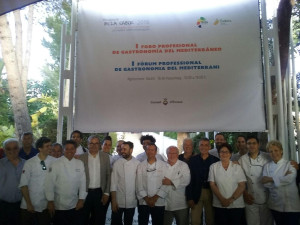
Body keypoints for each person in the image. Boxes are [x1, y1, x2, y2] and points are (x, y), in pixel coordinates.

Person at [45, 140, 87, 225]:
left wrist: (81, 199)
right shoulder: (56, 164)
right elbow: (49, 184)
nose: (69, 151)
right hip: (59, 205)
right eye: (67, 149)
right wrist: (50, 201)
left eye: (72, 149)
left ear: (75, 150)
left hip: (74, 204)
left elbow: (83, 182)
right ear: (63, 150)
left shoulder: (79, 163)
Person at [262, 140, 300, 225]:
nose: (274, 153)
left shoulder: (290, 164)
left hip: (292, 205)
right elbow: (265, 183)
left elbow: (290, 179)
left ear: (281, 151)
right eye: (271, 151)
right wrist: (283, 177)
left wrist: (271, 179)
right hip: (275, 205)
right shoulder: (267, 166)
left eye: (276, 150)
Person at [19, 137, 56, 225]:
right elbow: (23, 185)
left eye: (51, 145)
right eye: (47, 146)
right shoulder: (29, 163)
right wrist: (29, 204)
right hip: (28, 205)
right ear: (40, 148)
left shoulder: (55, 161)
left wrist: (51, 201)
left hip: (45, 205)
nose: (50, 148)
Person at [208, 143, 246, 225]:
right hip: (219, 204)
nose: (224, 154)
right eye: (222, 152)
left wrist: (230, 200)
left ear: (231, 154)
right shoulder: (213, 167)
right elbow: (212, 184)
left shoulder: (237, 167)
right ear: (219, 154)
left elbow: (242, 185)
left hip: (236, 204)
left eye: (226, 152)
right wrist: (222, 199)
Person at [238, 136, 273, 225]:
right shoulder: (242, 159)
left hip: (267, 198)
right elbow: (239, 180)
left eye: (254, 143)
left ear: (258, 145)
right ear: (246, 145)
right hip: (250, 198)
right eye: (249, 143)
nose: (251, 145)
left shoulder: (267, 157)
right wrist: (245, 194)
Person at [78, 135, 111, 225]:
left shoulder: (105, 157)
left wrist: (106, 193)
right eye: (91, 143)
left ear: (100, 145)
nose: (94, 145)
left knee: (99, 219)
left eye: (96, 143)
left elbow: (108, 175)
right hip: (85, 193)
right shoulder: (81, 158)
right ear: (87, 144)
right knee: (83, 218)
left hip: (100, 193)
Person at [186, 138, 219, 225]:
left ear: (210, 147)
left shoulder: (215, 161)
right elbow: (188, 179)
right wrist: (189, 197)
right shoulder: (192, 160)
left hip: (211, 192)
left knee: (211, 220)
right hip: (196, 193)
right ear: (198, 147)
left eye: (206, 145)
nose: (204, 147)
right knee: (194, 221)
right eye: (201, 145)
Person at [136, 143, 167, 225]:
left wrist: (155, 198)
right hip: (144, 201)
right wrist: (147, 199)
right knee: (142, 222)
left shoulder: (164, 165)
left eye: (152, 150)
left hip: (159, 200)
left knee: (158, 222)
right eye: (148, 150)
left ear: (156, 152)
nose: (150, 152)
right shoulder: (140, 165)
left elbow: (166, 183)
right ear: (145, 151)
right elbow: (138, 184)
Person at [110, 141, 140, 225]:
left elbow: (139, 183)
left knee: (128, 222)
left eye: (124, 149)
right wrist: (114, 201)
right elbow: (113, 183)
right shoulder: (117, 163)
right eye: (121, 148)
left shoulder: (137, 164)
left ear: (131, 150)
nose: (122, 151)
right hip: (118, 200)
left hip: (131, 201)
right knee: (115, 222)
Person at [0, 138, 26, 225]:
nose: (12, 151)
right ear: (4, 150)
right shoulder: (0, 164)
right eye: (8, 148)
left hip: (22, 205)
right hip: (3, 205)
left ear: (19, 149)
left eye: (15, 148)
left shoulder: (26, 164)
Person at [163, 146, 191, 225]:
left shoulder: (183, 165)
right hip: (165, 203)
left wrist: (171, 182)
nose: (172, 155)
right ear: (167, 154)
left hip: (180, 203)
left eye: (174, 153)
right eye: (169, 153)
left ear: (178, 154)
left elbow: (186, 180)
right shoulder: (162, 165)